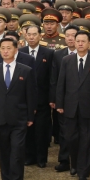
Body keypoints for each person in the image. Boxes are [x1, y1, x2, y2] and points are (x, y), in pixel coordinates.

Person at [0, 38, 37, 180]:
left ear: (16, 50)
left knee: (17, 151)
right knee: (4, 151)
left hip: (19, 117)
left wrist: (30, 117)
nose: (5, 51)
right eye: (2, 48)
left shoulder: (25, 70)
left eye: (9, 48)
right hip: (0, 116)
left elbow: (31, 95)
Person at [56, 30, 90, 180]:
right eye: (78, 41)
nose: (80, 44)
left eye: (84, 41)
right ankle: (75, 163)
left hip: (88, 107)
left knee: (87, 140)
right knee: (71, 138)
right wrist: (60, 104)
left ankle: (84, 172)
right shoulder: (66, 60)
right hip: (70, 107)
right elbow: (61, 84)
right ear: (74, 43)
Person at [19, 24, 54, 168]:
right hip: (24, 98)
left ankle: (41, 158)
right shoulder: (20, 53)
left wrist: (52, 98)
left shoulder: (49, 53)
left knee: (41, 129)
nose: (32, 37)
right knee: (27, 129)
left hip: (42, 98)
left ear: (41, 35)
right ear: (25, 36)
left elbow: (52, 78)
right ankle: (29, 156)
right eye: (29, 34)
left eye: (35, 34)